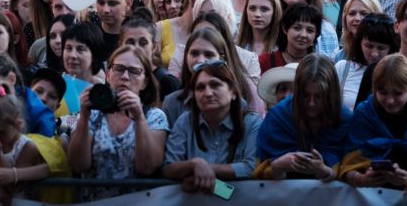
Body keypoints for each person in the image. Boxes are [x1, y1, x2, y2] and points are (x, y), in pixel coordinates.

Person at [65, 46, 169, 199]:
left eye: (134, 71)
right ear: (108, 75)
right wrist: (84, 117)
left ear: (145, 82)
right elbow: (78, 165)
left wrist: (139, 117)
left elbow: (147, 167)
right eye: (119, 69)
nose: (125, 76)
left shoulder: (154, 116)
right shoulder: (92, 115)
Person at [162, 60, 262, 192]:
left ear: (233, 92)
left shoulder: (252, 122)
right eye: (200, 87)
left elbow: (252, 167)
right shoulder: (185, 121)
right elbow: (168, 168)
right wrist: (195, 164)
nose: (208, 93)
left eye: (215, 85)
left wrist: (204, 170)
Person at [343, 53, 407, 188]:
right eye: (382, 92)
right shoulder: (364, 113)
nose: (390, 100)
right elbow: (346, 163)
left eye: (397, 93)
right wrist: (361, 179)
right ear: (374, 88)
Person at [255, 54, 349, 180]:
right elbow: (258, 174)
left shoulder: (343, 119)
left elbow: (351, 172)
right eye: (305, 95)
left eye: (319, 96)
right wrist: (277, 166)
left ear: (331, 95)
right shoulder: (278, 117)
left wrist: (324, 171)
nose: (311, 103)